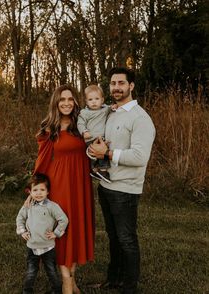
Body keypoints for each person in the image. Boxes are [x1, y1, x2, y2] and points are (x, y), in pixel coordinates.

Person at [89, 67, 156, 294]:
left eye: (121, 83)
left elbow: (139, 157)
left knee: (127, 239)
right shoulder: (112, 112)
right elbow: (103, 142)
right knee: (113, 237)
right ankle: (114, 279)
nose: (116, 87)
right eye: (113, 83)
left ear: (131, 86)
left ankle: (129, 287)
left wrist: (107, 155)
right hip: (106, 185)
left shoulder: (140, 118)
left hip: (125, 189)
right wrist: (94, 151)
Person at [32, 84, 94, 294]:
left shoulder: (83, 124)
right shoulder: (50, 129)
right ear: (56, 104)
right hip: (59, 186)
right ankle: (66, 281)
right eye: (62, 100)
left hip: (81, 186)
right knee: (63, 231)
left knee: (76, 229)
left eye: (70, 99)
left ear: (75, 102)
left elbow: (102, 116)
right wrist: (33, 192)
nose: (66, 103)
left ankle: (72, 279)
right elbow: (40, 164)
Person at [16, 173, 69, 294]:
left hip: (48, 246)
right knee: (31, 271)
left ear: (48, 192)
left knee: (51, 271)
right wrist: (22, 231)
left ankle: (56, 291)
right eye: (35, 190)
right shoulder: (27, 206)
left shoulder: (51, 206)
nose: (39, 193)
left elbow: (63, 219)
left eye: (42, 190)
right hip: (32, 246)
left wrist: (56, 233)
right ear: (29, 192)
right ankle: (27, 291)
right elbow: (20, 218)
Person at [77, 84, 111, 183]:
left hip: (101, 137)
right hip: (91, 137)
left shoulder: (105, 109)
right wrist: (84, 131)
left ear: (102, 100)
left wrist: (114, 107)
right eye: (90, 100)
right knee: (102, 153)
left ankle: (95, 170)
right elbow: (80, 123)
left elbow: (111, 108)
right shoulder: (84, 113)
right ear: (87, 102)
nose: (94, 102)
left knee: (99, 153)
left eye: (97, 99)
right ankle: (103, 171)